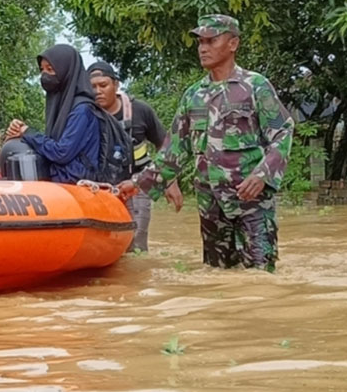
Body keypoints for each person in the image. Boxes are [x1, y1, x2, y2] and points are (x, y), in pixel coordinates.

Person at [118, 15, 294, 272]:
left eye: (211, 41)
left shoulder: (255, 86)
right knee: (216, 277)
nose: (203, 48)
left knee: (260, 279)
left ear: (233, 43)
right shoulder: (193, 95)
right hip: (211, 207)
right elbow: (173, 151)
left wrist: (262, 175)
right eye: (200, 42)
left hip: (252, 203)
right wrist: (136, 184)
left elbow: (283, 131)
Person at [88, 60, 182, 252]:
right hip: (101, 188)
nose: (98, 91)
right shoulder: (85, 114)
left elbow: (165, 145)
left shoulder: (140, 110)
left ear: (116, 85)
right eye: (93, 87)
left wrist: (170, 181)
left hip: (138, 184)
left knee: (136, 246)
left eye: (103, 85)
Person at [5, 44, 101, 184]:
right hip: (60, 184)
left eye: (50, 69)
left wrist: (28, 133)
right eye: (42, 70)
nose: (45, 75)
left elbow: (62, 152)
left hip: (77, 188)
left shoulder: (82, 110)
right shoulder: (60, 104)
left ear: (65, 71)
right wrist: (18, 132)